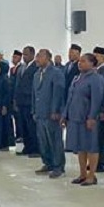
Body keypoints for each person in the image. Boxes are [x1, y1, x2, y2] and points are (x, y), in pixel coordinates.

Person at [63, 53, 104, 185]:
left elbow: (97, 100)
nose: (80, 63)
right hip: (75, 117)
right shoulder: (76, 78)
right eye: (80, 61)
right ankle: (82, 174)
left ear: (92, 63)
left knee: (91, 146)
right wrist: (65, 115)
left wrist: (92, 117)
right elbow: (69, 98)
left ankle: (91, 175)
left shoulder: (96, 78)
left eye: (84, 61)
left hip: (87, 118)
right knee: (80, 146)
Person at [32, 49, 67, 178]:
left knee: (55, 140)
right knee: (43, 141)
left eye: (40, 56)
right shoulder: (37, 74)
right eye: (37, 56)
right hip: (40, 113)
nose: (37, 59)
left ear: (48, 58)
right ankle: (48, 163)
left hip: (51, 113)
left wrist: (56, 110)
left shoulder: (56, 73)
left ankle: (58, 166)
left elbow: (58, 93)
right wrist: (34, 110)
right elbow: (34, 94)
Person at [15, 46, 40, 157]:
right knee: (23, 126)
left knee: (31, 126)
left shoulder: (36, 67)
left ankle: (35, 148)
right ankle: (27, 146)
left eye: (26, 54)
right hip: (21, 101)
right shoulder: (21, 67)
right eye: (23, 54)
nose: (24, 57)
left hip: (29, 101)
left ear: (32, 55)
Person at [0, 60, 13, 151]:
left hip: (3, 105)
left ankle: (5, 144)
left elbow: (7, 93)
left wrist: (5, 106)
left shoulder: (5, 79)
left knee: (4, 125)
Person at [9, 50, 23, 143]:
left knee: (19, 117)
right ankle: (17, 134)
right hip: (12, 95)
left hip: (18, 96)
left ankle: (21, 134)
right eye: (13, 57)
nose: (13, 59)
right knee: (15, 117)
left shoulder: (21, 68)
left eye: (15, 57)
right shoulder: (12, 69)